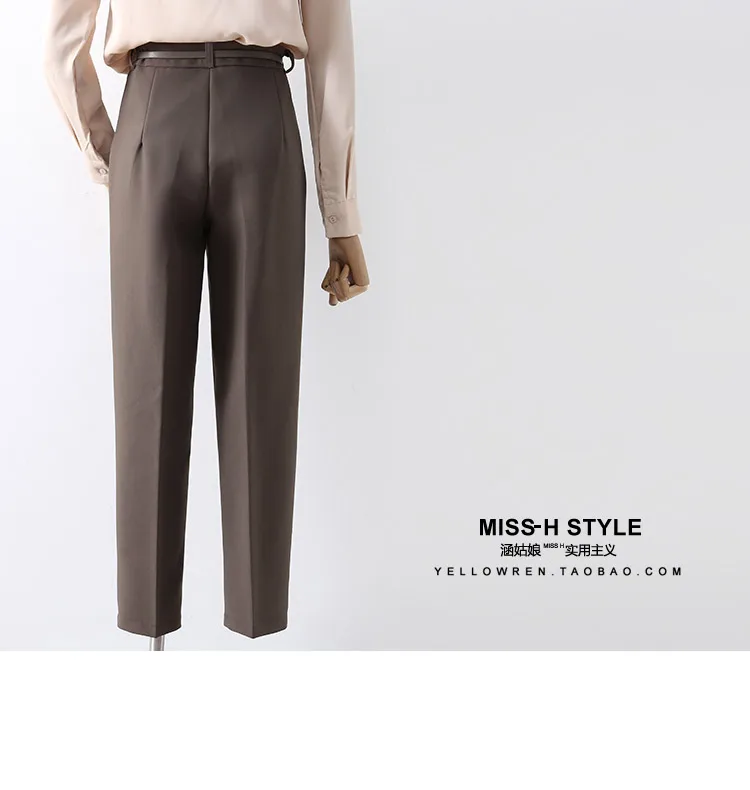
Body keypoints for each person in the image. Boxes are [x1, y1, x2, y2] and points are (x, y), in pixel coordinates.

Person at [43, 0, 370, 641]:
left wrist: (110, 150)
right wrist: (341, 214)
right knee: (260, 383)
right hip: (259, 110)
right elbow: (330, 52)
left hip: (154, 112)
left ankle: (152, 626)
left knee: (148, 385)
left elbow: (61, 42)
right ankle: (253, 622)